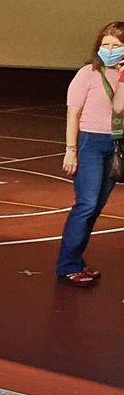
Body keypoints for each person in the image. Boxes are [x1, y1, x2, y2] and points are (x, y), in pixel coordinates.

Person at [57, 21, 124, 287]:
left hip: (116, 144)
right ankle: (68, 266)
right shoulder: (87, 73)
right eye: (105, 45)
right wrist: (70, 151)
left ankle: (76, 261)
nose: (109, 49)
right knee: (85, 205)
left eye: (116, 45)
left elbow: (119, 109)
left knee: (96, 207)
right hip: (90, 144)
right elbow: (73, 113)